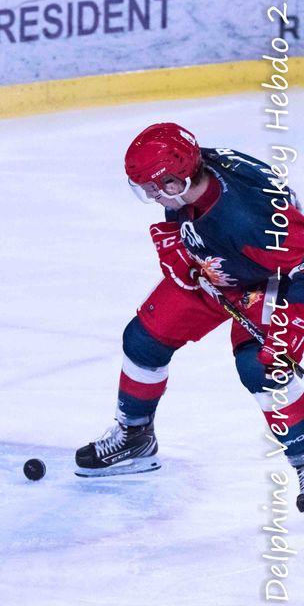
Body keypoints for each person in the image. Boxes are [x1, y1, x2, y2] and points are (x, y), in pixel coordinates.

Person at [76, 123, 304, 492]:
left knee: (261, 367)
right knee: (143, 339)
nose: (151, 197)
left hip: (269, 280)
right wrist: (182, 246)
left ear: (174, 182)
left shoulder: (250, 218)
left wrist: (293, 323)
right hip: (218, 267)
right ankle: (135, 438)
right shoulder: (195, 174)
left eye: (154, 188)